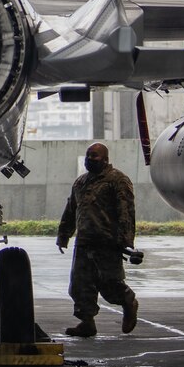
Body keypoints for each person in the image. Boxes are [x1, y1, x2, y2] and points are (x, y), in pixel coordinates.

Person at [55, 142, 140, 337]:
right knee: (80, 285)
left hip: (107, 242)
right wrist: (63, 235)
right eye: (88, 156)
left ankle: (128, 301)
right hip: (84, 241)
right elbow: (71, 209)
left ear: (106, 159)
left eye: (95, 156)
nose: (90, 159)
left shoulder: (117, 180)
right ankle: (87, 322)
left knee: (110, 284)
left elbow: (126, 211)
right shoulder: (80, 182)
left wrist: (126, 240)